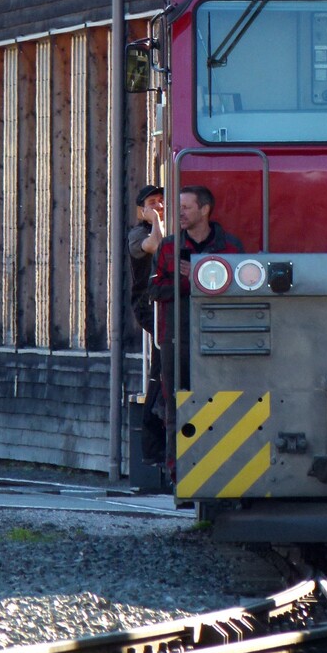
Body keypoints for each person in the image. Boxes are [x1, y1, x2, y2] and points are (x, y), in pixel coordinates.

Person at [150, 185, 243, 466]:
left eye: (187, 207)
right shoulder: (168, 247)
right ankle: (177, 471)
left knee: (222, 397)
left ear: (205, 210)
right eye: (179, 208)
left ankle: (224, 466)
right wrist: (196, 281)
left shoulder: (231, 247)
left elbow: (242, 288)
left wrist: (201, 277)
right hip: (176, 336)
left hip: (222, 335)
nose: (180, 213)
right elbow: (154, 290)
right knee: (175, 401)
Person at [127, 184, 165, 463]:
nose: (159, 206)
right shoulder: (139, 233)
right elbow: (156, 245)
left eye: (163, 201)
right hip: (147, 305)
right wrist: (157, 221)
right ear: (142, 210)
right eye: (153, 203)